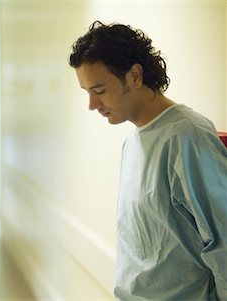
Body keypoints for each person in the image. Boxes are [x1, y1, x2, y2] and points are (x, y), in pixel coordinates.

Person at [69, 21, 227, 300]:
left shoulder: (187, 136)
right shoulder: (133, 141)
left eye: (100, 90)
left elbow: (223, 241)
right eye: (87, 92)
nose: (92, 105)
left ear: (135, 76)